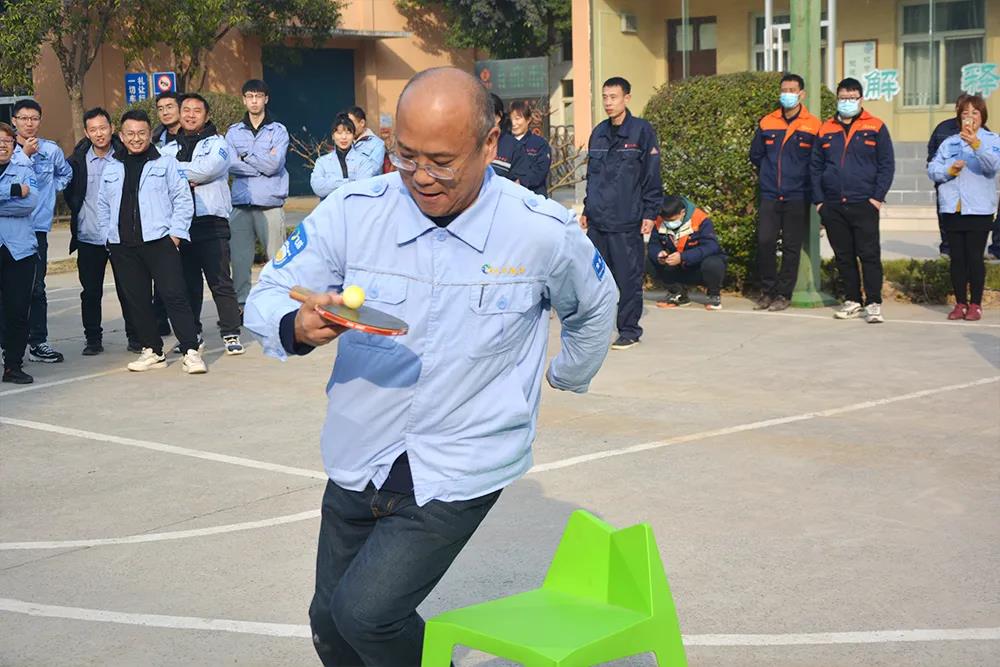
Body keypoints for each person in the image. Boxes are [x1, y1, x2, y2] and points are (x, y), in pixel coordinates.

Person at [244, 67, 617, 667]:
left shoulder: (538, 230)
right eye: (406, 156)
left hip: (461, 461)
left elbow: (595, 305)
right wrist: (296, 327)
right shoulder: (354, 211)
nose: (420, 176)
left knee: (367, 614)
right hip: (361, 449)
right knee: (330, 624)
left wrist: (566, 374)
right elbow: (270, 292)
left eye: (441, 162)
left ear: (489, 145)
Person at [96, 109, 206, 374]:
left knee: (174, 296)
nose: (136, 138)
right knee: (137, 300)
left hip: (160, 242)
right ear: (121, 136)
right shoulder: (111, 166)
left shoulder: (166, 163)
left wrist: (175, 235)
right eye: (130, 134)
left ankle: (191, 350)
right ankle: (153, 350)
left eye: (142, 133)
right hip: (123, 246)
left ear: (150, 135)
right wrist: (108, 238)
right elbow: (102, 205)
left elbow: (182, 200)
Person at [580, 76, 663, 350]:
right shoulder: (598, 133)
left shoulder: (641, 132)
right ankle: (595, 330)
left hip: (627, 221)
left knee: (628, 280)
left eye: (613, 97)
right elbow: (592, 176)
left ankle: (629, 330)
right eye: (605, 97)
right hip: (598, 221)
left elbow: (651, 175)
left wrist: (650, 212)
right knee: (594, 279)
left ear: (626, 98)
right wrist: (587, 208)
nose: (608, 102)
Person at [811, 77, 894, 324]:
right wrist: (820, 202)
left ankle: (874, 303)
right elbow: (815, 167)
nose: (847, 102)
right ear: (837, 99)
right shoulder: (825, 128)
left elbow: (886, 165)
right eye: (843, 98)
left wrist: (876, 198)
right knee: (843, 256)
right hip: (833, 204)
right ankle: (853, 300)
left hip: (864, 203)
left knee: (869, 255)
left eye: (852, 97)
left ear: (860, 99)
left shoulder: (876, 126)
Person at [174, 93, 245, 355]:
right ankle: (192, 334)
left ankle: (230, 332)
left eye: (197, 111)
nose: (190, 115)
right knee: (187, 284)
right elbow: (168, 174)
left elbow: (207, 170)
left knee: (220, 281)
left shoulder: (218, 144)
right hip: (181, 224)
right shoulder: (168, 147)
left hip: (212, 222)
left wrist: (180, 172)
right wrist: (190, 173)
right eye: (186, 110)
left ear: (206, 116)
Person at [65, 107, 138, 355]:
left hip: (120, 236)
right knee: (90, 292)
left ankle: (135, 336)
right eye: (93, 129)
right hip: (89, 236)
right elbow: (71, 194)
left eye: (103, 128)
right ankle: (93, 339)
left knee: (128, 289)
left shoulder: (125, 155)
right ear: (87, 133)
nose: (99, 134)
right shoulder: (76, 161)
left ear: (112, 128)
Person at [749, 73, 820, 312]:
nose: (787, 94)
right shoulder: (767, 122)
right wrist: (768, 175)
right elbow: (756, 155)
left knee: (791, 247)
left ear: (802, 94)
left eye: (792, 90)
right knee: (765, 242)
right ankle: (767, 291)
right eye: (784, 90)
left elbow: (817, 161)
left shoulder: (813, 124)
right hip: (770, 194)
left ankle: (783, 294)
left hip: (797, 195)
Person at [928, 94, 1000, 322]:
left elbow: (993, 166)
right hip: (953, 209)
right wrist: (949, 170)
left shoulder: (992, 140)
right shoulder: (949, 142)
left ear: (982, 117)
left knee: (974, 257)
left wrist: (976, 144)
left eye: (975, 113)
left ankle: (976, 304)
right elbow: (933, 169)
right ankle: (960, 303)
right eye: (965, 113)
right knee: (957, 258)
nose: (970, 117)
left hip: (979, 210)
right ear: (959, 117)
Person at [11, 99, 73, 363]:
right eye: (23, 118)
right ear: (14, 120)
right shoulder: (6, 149)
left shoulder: (51, 150)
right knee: (7, 289)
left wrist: (48, 194)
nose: (29, 123)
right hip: (8, 229)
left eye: (34, 118)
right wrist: (24, 155)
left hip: (37, 229)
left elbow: (66, 174)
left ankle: (38, 342)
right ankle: (9, 345)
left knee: (36, 287)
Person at [226, 79, 290, 308]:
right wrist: (262, 161)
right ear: (244, 100)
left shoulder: (278, 130)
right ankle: (241, 306)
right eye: (250, 96)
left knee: (277, 260)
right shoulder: (233, 132)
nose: (254, 101)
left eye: (258, 96)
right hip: (241, 205)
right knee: (239, 262)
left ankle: (279, 304)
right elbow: (230, 165)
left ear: (266, 99)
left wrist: (246, 156)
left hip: (270, 205)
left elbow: (275, 165)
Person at [0, 122, 40, 384]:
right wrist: (13, 191)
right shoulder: (18, 181)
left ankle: (13, 365)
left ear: (14, 145)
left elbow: (30, 204)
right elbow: (19, 199)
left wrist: (19, 197)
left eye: (7, 141)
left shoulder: (24, 169)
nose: (2, 145)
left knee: (17, 310)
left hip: (19, 251)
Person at [649, 195, 727, 311]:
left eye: (671, 220)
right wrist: (658, 254)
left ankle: (713, 295)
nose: (668, 223)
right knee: (649, 260)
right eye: (666, 220)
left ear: (682, 212)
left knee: (714, 263)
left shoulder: (700, 219)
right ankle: (677, 293)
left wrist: (683, 257)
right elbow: (653, 244)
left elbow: (711, 246)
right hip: (676, 265)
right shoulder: (660, 220)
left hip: (698, 266)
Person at [310, 113, 382, 198]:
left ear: (353, 135)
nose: (344, 137)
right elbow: (318, 188)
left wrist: (332, 183)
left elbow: (363, 188)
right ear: (333, 136)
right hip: (331, 206)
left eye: (348, 133)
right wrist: (348, 182)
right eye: (339, 133)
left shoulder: (363, 161)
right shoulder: (322, 162)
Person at [508, 100, 552, 197]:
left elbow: (541, 171)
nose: (514, 123)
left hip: (534, 196)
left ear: (528, 120)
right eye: (511, 119)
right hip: (508, 196)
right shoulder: (503, 142)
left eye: (517, 119)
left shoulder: (540, 143)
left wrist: (521, 182)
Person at [347, 105, 386, 178]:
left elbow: (372, 170)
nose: (348, 127)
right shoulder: (346, 142)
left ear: (362, 123)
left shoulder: (378, 144)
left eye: (351, 123)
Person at [490, 93, 518, 181]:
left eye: (485, 114)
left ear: (498, 117)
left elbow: (518, 180)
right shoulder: (472, 142)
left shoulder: (513, 146)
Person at [153, 92, 182, 157]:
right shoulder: (155, 139)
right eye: (160, 109)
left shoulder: (192, 136)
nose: (165, 112)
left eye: (169, 107)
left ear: (181, 108)